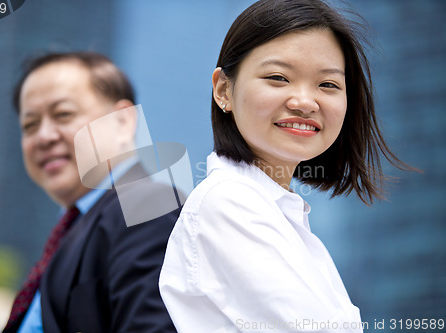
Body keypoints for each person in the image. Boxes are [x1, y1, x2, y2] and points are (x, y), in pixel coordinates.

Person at [159, 0, 411, 332]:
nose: (305, 102)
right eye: (278, 77)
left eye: (328, 84)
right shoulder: (230, 204)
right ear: (223, 90)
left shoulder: (279, 211)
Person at [3, 52, 179, 332]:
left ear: (123, 121)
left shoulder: (148, 207)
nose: (44, 136)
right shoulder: (79, 225)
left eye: (63, 114)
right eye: (29, 125)